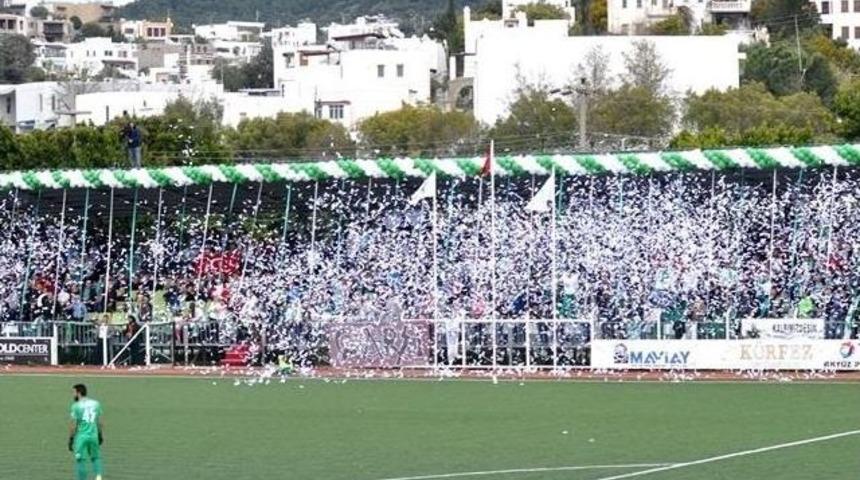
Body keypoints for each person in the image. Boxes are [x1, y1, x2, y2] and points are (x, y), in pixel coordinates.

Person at [69, 384, 104, 480]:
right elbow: (100, 422)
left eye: (74, 392)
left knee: (80, 460)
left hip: (82, 437)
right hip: (94, 436)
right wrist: (100, 435)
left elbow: (73, 425)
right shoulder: (96, 403)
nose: (73, 395)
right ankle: (98, 477)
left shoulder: (76, 406)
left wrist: (71, 439)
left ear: (78, 393)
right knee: (96, 458)